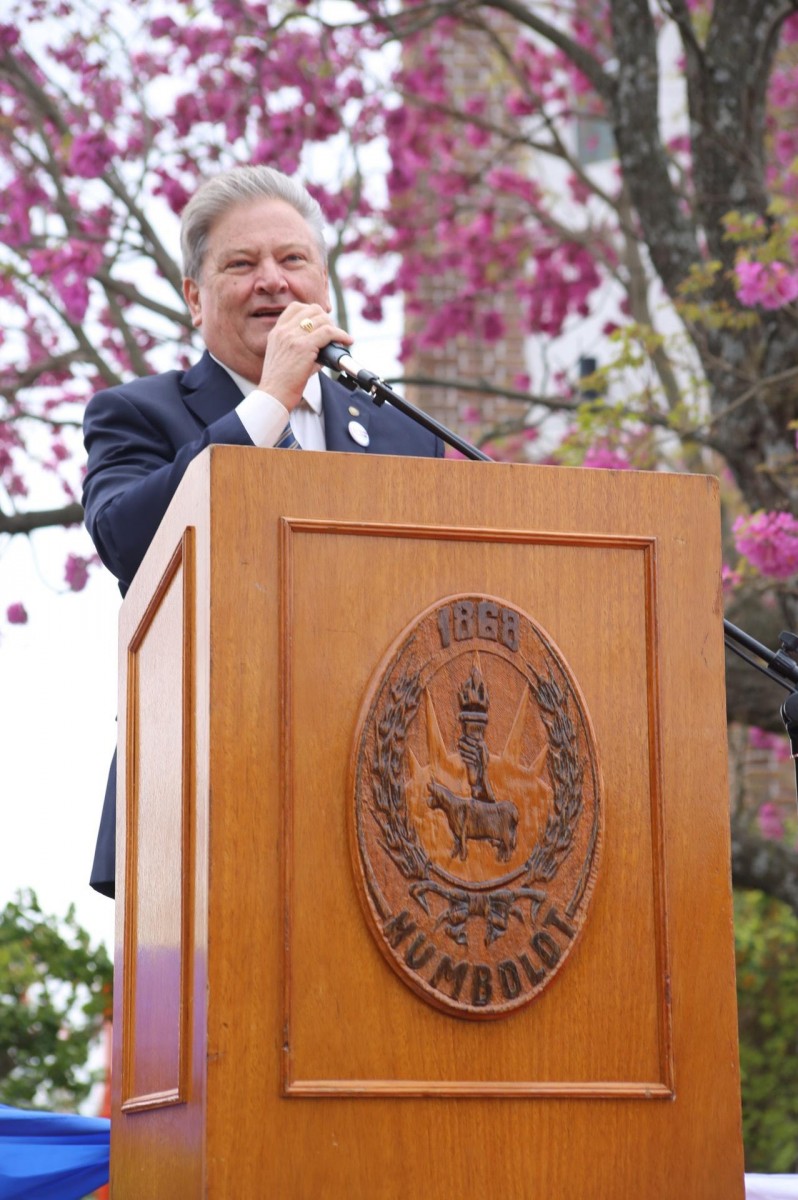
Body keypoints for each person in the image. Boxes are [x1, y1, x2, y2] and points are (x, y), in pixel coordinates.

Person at [82, 165, 445, 897]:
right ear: (195, 296)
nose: (272, 282)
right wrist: (270, 402)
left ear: (324, 281)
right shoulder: (135, 414)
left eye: (293, 260)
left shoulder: (405, 432)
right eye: (241, 265)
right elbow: (126, 538)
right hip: (207, 796)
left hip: (390, 810)